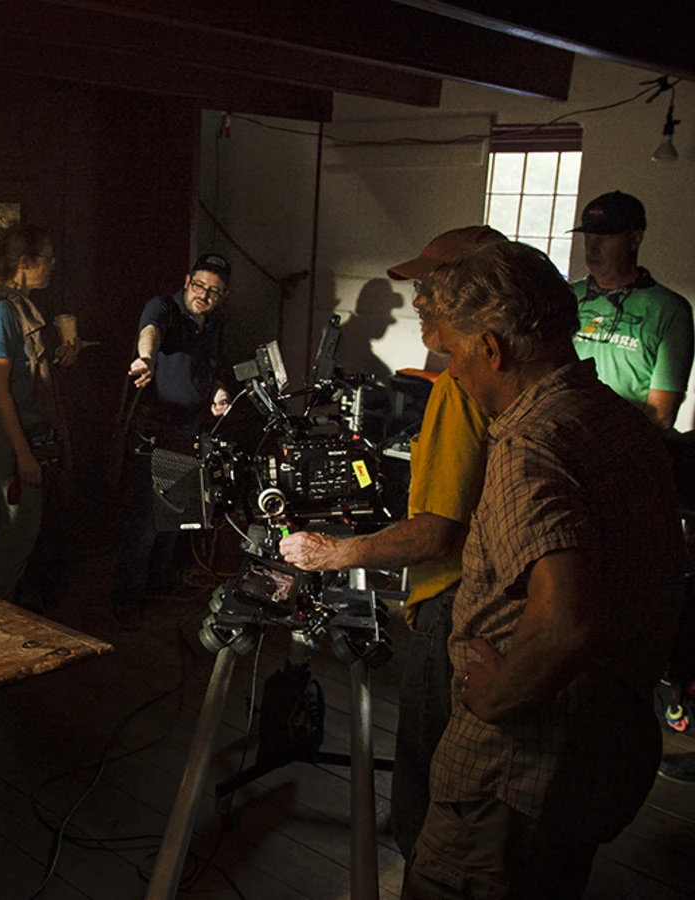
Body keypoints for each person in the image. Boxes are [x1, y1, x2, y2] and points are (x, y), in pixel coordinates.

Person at [401, 241, 684, 899]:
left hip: (513, 776)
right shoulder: (619, 420)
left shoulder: (529, 446)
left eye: (457, 356)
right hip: (599, 760)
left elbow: (564, 622)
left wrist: (492, 696)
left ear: (492, 350)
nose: (457, 373)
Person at [279, 225, 504, 860]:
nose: (419, 301)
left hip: (451, 604)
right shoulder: (480, 379)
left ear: (471, 294)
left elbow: (437, 531)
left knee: (427, 781)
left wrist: (336, 552)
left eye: (432, 287)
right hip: (470, 597)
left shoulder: (462, 386)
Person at [110, 252, 232, 629]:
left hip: (189, 430)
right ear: (186, 280)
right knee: (145, 523)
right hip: (156, 430)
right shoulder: (163, 307)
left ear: (223, 294)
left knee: (175, 518)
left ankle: (160, 587)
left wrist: (219, 392)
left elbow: (215, 368)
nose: (203, 295)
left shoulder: (212, 325)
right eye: (198, 285)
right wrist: (145, 359)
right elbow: (151, 331)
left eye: (213, 290)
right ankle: (127, 600)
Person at [0, 223, 76, 606]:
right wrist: (22, 453)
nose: (52, 266)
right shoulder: (3, 314)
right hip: (11, 441)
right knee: (16, 535)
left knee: (26, 531)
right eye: (47, 259)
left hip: (27, 433)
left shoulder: (23, 308)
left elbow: (27, 373)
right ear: (26, 263)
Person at [571, 190, 694, 429]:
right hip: (563, 437)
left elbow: (661, 415)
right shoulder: (566, 296)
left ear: (635, 239)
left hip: (624, 447)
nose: (593, 246)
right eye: (589, 235)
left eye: (606, 236)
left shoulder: (668, 309)